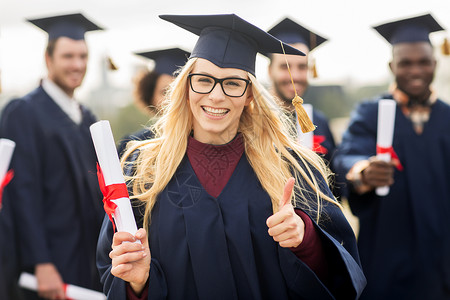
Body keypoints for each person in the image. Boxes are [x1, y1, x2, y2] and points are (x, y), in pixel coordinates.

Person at [97, 14, 366, 300]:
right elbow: (112, 268)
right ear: (186, 86)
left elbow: (342, 272)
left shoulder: (293, 168)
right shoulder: (143, 172)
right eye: (204, 80)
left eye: (233, 84)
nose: (216, 96)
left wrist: (306, 240)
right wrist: (138, 284)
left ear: (249, 94)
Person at [333, 13, 450, 299]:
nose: (415, 71)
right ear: (391, 66)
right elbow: (347, 155)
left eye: (423, 62)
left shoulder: (447, 116)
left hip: (441, 264)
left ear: (435, 63)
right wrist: (362, 171)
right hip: (387, 260)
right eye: (405, 63)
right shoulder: (371, 112)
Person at [0, 13, 105, 299]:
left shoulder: (85, 118)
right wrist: (41, 262)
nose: (77, 64)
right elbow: (22, 192)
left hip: (87, 258)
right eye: (68, 56)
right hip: (50, 264)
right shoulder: (23, 113)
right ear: (48, 59)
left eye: (83, 56)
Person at [265, 17, 341, 197]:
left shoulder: (319, 121)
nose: (295, 76)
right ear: (269, 71)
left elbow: (337, 188)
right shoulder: (252, 121)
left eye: (302, 66)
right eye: (285, 67)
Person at [117, 48, 190, 156]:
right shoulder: (133, 145)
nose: (172, 99)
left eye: (179, 91)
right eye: (164, 92)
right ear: (151, 96)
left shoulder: (202, 143)